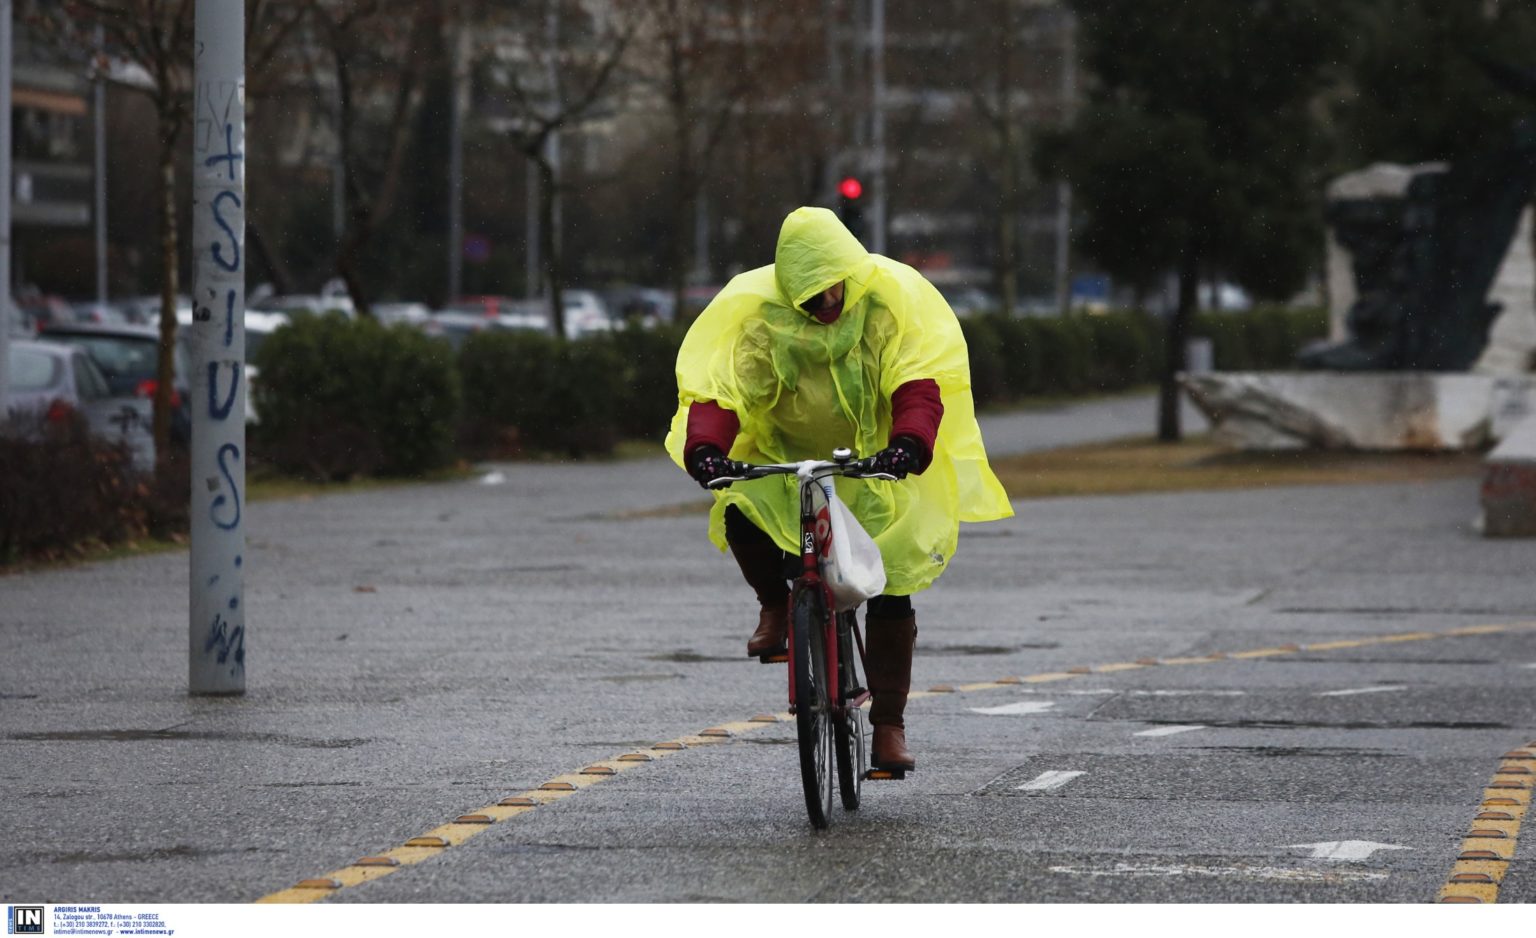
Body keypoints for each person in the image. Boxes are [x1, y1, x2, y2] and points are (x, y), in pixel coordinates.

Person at [665, 206, 1012, 773]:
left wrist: (908, 445)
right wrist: (706, 448)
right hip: (783, 455)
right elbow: (723, 392)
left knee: (891, 587)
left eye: (832, 293)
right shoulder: (761, 319)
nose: (825, 307)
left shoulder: (888, 309)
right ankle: (776, 608)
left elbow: (917, 384)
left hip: (874, 463)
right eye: (810, 299)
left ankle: (889, 728)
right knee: (739, 504)